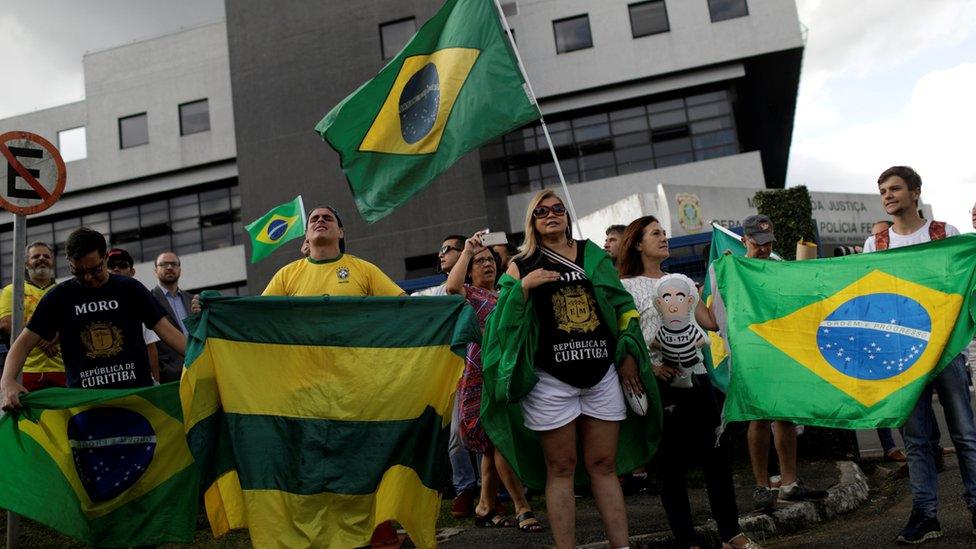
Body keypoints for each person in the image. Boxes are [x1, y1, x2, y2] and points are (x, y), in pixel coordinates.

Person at [481, 189, 658, 549]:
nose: (551, 215)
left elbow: (623, 306)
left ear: (566, 215)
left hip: (602, 375)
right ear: (532, 220)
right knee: (560, 469)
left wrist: (626, 354)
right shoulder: (521, 265)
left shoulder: (591, 254)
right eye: (542, 211)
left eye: (557, 209)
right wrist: (523, 289)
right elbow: (501, 325)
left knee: (604, 466)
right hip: (550, 381)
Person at [618, 216, 759, 549]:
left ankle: (731, 533)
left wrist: (720, 282)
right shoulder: (624, 287)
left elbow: (709, 322)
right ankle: (687, 540)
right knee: (669, 468)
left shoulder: (678, 280)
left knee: (717, 457)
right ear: (638, 243)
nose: (664, 238)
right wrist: (648, 367)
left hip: (697, 379)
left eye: (664, 233)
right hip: (659, 386)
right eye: (656, 234)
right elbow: (624, 336)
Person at [861, 166, 976, 544]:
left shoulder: (946, 235)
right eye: (882, 191)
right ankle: (926, 515)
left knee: (964, 434)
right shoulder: (873, 245)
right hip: (901, 358)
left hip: (946, 351)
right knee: (916, 440)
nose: (887, 196)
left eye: (895, 189)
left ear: (915, 192)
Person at [1, 228, 185, 410]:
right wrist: (7, 381)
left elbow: (168, 332)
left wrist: (204, 358)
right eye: (78, 271)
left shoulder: (131, 289)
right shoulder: (59, 297)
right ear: (69, 262)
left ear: (105, 258)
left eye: (95, 270)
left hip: (135, 398)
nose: (88, 277)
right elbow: (23, 343)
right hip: (85, 405)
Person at [445, 230, 542, 533]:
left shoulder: (506, 294)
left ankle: (485, 505)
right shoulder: (469, 296)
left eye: (490, 260)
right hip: (479, 377)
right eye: (480, 261)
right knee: (497, 439)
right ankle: (522, 506)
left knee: (493, 445)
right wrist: (468, 249)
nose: (487, 265)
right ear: (470, 269)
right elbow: (451, 286)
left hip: (507, 376)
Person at [740, 215, 828, 512]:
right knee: (760, 416)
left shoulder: (778, 264)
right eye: (757, 244)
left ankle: (789, 483)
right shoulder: (730, 267)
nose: (764, 249)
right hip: (752, 350)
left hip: (781, 347)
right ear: (744, 241)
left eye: (768, 244)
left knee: (786, 414)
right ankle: (762, 486)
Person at [410, 234, 480, 517]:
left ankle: (493, 491)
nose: (440, 255)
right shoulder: (438, 292)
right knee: (458, 435)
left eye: (446, 249)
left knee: (487, 434)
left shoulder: (480, 289)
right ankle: (465, 489)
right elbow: (410, 302)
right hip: (456, 374)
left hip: (487, 368)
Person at [262, 206, 404, 298]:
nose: (320, 220)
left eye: (327, 218)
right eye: (314, 219)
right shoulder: (285, 275)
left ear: (340, 232)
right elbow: (257, 314)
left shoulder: (365, 269)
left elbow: (405, 305)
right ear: (306, 235)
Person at [0, 241, 65, 390]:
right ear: (26, 264)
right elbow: (6, 323)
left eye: (46, 256)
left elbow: (75, 322)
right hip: (26, 370)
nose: (42, 258)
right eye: (36, 256)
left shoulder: (63, 291)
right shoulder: (12, 290)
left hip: (63, 369)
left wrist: (56, 338)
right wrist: (43, 340)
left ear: (52, 262)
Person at [106, 248, 162, 383]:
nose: (116, 269)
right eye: (111, 266)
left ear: (132, 272)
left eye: (122, 265)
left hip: (137, 380)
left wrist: (156, 383)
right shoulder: (90, 305)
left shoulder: (140, 302)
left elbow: (151, 348)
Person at [150, 252, 194, 383]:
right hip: (169, 376)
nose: (169, 267)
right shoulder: (149, 300)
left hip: (197, 367)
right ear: (155, 270)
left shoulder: (192, 300)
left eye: (174, 264)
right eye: (164, 264)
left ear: (179, 269)